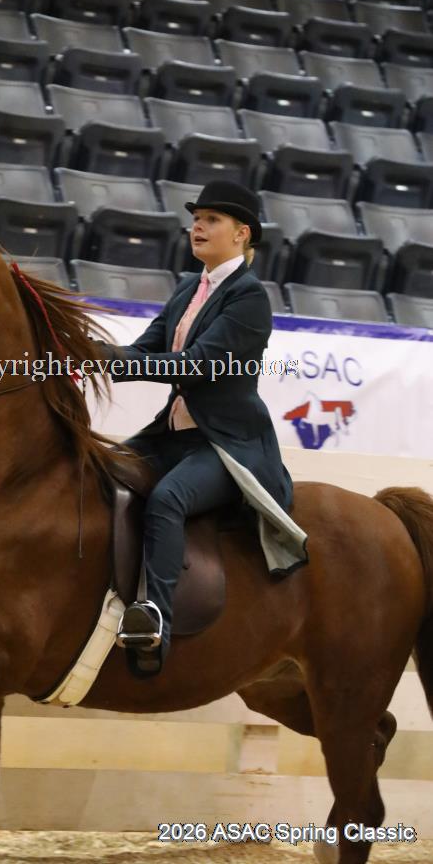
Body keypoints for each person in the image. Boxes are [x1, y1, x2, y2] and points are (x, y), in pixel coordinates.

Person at [96, 181, 295, 677]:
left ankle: (154, 622)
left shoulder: (250, 297)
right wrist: (92, 352)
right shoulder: (190, 286)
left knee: (168, 499)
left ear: (242, 233)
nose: (197, 227)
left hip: (224, 444)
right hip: (172, 435)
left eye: (211, 219)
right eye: (196, 218)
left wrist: (114, 362)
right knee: (100, 471)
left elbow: (198, 365)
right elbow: (146, 349)